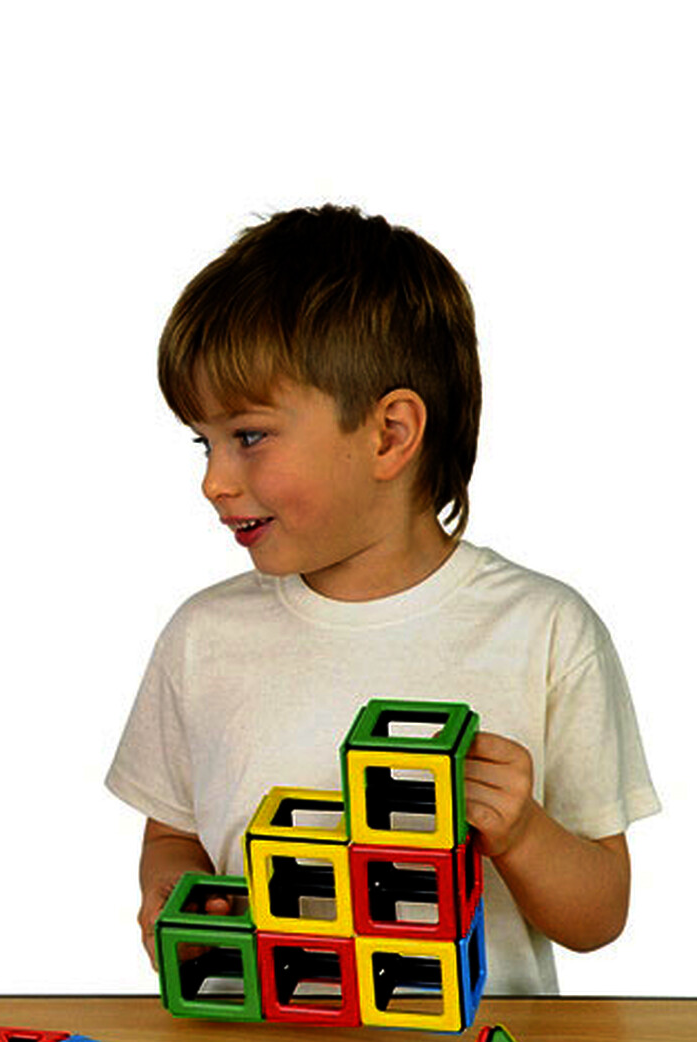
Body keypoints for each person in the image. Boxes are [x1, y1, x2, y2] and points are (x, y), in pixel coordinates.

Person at [106, 205, 659, 994]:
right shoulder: (203, 637)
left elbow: (599, 916)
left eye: (249, 436)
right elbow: (173, 835)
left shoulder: (543, 631)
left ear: (390, 435)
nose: (214, 481)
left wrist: (524, 832)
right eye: (205, 442)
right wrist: (171, 894)